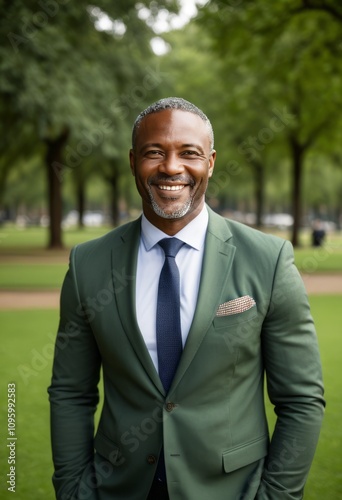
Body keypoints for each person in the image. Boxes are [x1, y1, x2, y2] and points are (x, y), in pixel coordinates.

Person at [48, 97, 325, 500]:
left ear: (210, 162)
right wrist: (73, 491)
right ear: (132, 161)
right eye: (154, 152)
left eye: (189, 153)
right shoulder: (88, 264)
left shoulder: (268, 260)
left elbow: (301, 400)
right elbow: (71, 393)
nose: (171, 167)